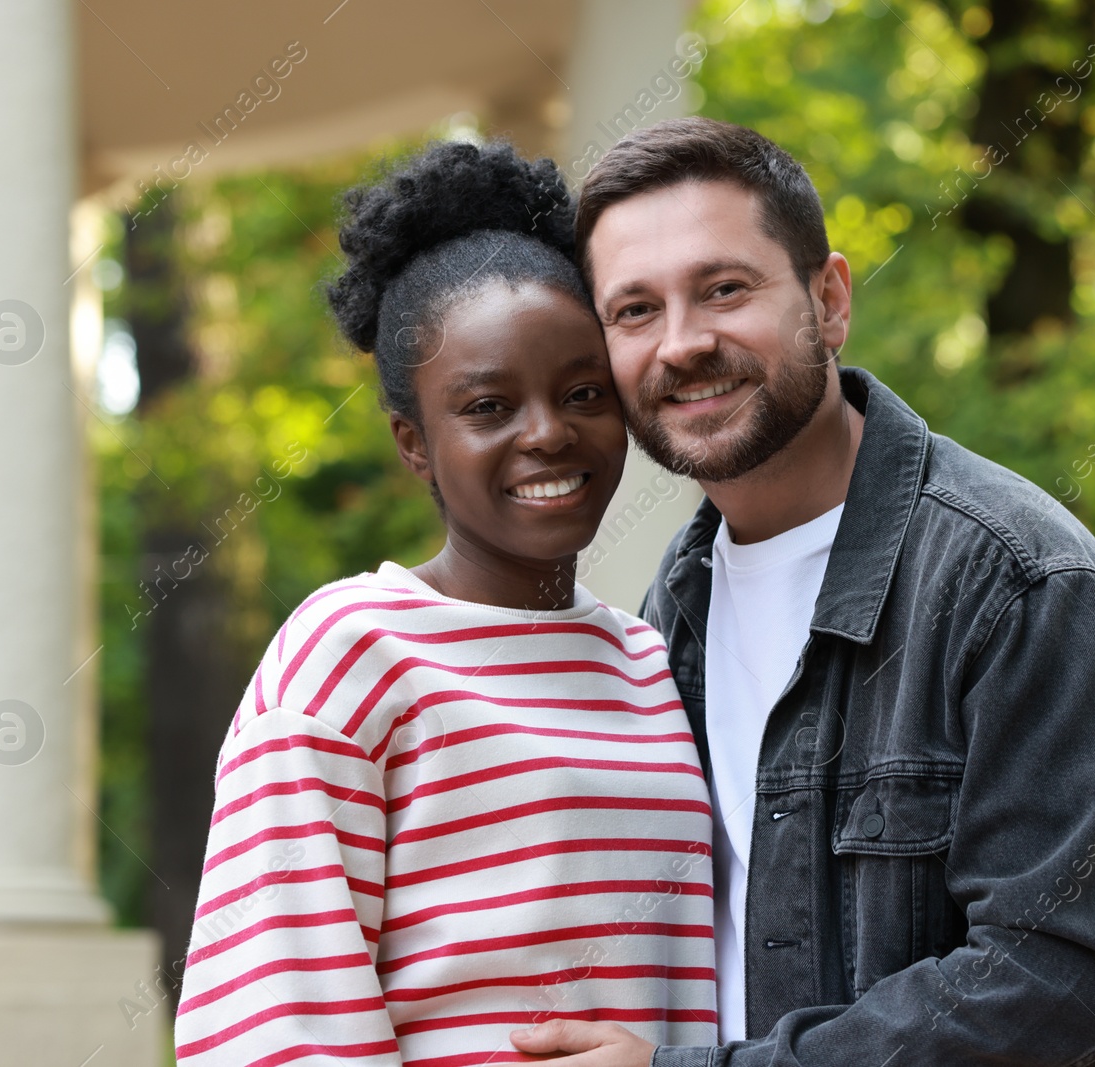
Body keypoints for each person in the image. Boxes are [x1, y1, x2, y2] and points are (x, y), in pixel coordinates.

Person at [510, 116, 1095, 1066]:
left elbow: (1056, 990)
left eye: (724, 288)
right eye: (635, 310)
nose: (683, 343)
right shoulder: (672, 613)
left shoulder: (1017, 583)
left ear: (829, 299)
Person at [173, 140, 718, 1066]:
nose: (548, 432)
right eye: (487, 405)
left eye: (583, 393)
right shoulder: (347, 656)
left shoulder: (650, 660)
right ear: (413, 442)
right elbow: (276, 1032)